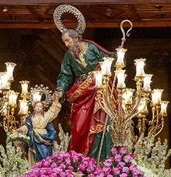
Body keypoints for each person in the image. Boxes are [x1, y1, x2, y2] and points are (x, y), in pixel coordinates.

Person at [56, 29, 113, 161]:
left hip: (98, 90)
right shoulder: (68, 56)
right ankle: (80, 160)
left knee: (101, 122)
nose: (66, 45)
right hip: (81, 94)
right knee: (78, 127)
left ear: (76, 38)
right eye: (64, 42)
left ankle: (98, 159)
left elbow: (108, 59)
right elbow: (65, 75)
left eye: (67, 40)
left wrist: (119, 55)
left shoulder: (92, 47)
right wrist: (60, 89)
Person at [18, 95, 61, 164]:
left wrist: (56, 100)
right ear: (34, 107)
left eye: (40, 106)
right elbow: (27, 125)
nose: (38, 108)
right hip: (34, 138)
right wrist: (22, 129)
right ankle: (38, 167)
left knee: (45, 154)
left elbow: (53, 110)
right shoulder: (31, 117)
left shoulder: (46, 116)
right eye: (37, 106)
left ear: (43, 108)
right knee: (37, 157)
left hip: (45, 137)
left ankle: (45, 167)